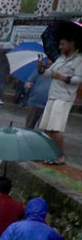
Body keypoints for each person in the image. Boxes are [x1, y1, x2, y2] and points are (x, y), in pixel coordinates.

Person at [39, 33, 82, 165]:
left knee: (56, 129)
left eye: (63, 44)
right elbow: (48, 73)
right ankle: (49, 153)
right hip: (53, 95)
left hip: (64, 97)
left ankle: (60, 156)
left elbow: (78, 79)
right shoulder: (60, 58)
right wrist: (41, 69)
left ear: (72, 43)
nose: (60, 47)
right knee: (47, 128)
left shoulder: (79, 59)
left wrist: (61, 77)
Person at [23, 59, 52, 129]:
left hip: (48, 105)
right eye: (49, 60)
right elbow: (27, 83)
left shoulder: (57, 75)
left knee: (43, 129)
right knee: (29, 127)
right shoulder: (38, 71)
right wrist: (28, 85)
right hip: (34, 103)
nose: (50, 62)